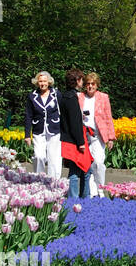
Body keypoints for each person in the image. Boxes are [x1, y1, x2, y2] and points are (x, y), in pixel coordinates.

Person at [80, 72, 116, 196]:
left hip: (98, 135)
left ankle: (100, 187)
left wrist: (111, 137)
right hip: (83, 135)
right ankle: (91, 191)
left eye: (93, 84)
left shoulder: (103, 97)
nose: (90, 86)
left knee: (99, 162)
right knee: (87, 164)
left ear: (97, 85)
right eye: (88, 84)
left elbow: (108, 117)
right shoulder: (79, 97)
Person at [58, 68, 92, 198]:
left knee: (79, 168)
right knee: (79, 169)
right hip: (75, 140)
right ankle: (79, 198)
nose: (83, 82)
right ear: (77, 81)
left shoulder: (65, 96)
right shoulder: (72, 98)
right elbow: (75, 122)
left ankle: (79, 197)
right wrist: (81, 142)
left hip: (69, 138)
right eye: (82, 80)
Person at [24, 71, 62, 177]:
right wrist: (27, 135)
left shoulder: (56, 94)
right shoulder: (32, 96)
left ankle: (54, 181)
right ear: (37, 82)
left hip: (54, 129)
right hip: (38, 130)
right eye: (40, 81)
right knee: (38, 156)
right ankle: (39, 179)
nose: (42, 83)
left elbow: (63, 111)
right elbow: (28, 116)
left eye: (45, 81)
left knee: (54, 157)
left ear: (49, 82)